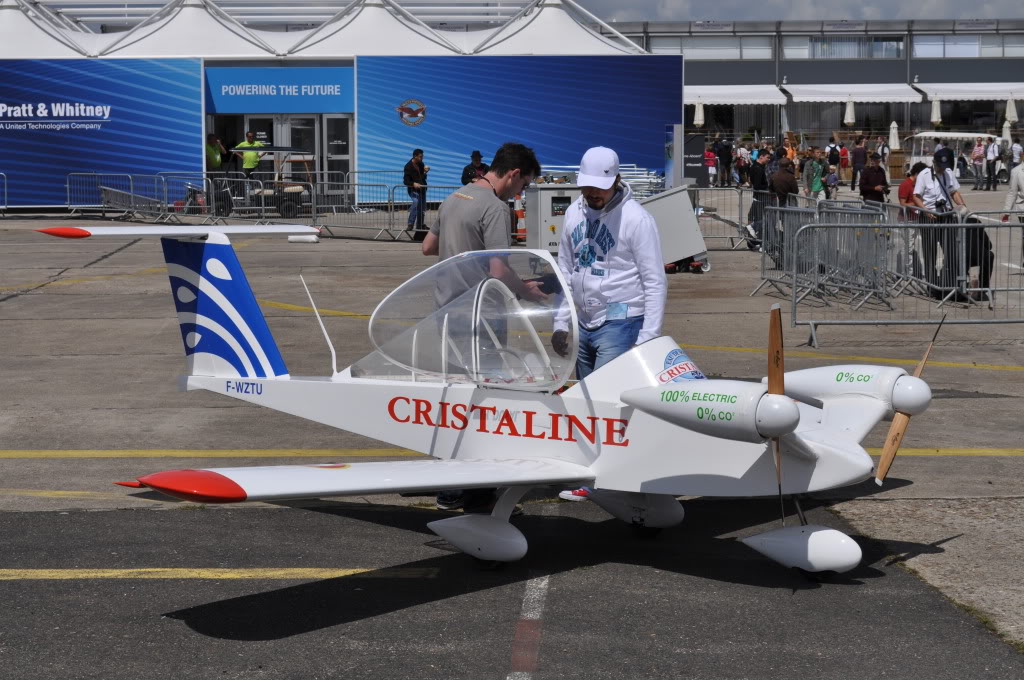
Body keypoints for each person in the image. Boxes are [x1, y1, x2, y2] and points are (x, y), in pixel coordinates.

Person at [422, 142, 544, 511]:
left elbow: (428, 248)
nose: (520, 194)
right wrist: (526, 291)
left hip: (447, 312)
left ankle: (448, 488)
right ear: (513, 174)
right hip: (482, 318)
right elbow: (497, 269)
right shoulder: (494, 208)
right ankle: (477, 494)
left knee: (454, 400)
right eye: (523, 186)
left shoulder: (454, 197)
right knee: (483, 402)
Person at [551, 146, 667, 502]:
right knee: (587, 400)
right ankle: (597, 473)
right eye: (587, 188)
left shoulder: (637, 219)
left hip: (621, 320)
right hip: (584, 320)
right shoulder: (574, 212)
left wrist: (649, 336)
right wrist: (561, 320)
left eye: (598, 188)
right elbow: (566, 270)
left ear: (616, 180)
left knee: (607, 402)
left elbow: (654, 280)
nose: (592, 195)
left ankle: (615, 478)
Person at [913, 152, 969, 299]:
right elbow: (916, 196)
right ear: (934, 162)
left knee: (950, 252)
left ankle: (949, 284)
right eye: (940, 166)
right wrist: (925, 210)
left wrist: (962, 206)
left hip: (946, 216)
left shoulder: (948, 173)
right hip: (929, 218)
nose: (942, 169)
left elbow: (954, 192)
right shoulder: (924, 174)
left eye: (944, 167)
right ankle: (932, 286)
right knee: (930, 253)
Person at [403, 148, 430, 238]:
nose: (422, 158)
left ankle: (420, 227)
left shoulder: (421, 164)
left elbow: (422, 177)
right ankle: (410, 223)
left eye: (422, 157)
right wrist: (413, 183)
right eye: (420, 157)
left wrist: (425, 171)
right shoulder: (408, 166)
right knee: (416, 202)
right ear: (415, 156)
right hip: (413, 190)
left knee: (421, 209)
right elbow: (406, 181)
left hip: (422, 189)